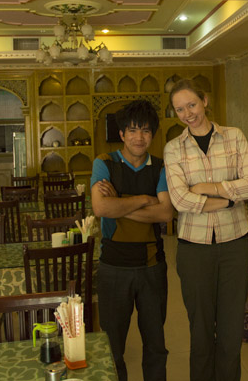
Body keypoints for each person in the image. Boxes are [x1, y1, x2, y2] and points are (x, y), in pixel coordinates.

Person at [163, 79, 248, 381]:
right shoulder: (173, 149)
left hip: (235, 246)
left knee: (231, 331)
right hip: (194, 249)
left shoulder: (234, 137)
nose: (188, 114)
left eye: (192, 104)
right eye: (180, 109)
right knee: (201, 331)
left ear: (204, 101)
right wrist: (228, 200)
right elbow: (180, 200)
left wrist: (207, 187)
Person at [90, 99, 174, 381]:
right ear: (122, 134)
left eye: (146, 131)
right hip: (113, 268)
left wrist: (120, 203)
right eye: (133, 130)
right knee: (112, 349)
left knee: (156, 347)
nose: (140, 137)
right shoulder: (104, 163)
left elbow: (165, 213)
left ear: (153, 135)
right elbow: (101, 207)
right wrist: (143, 200)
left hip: (152, 267)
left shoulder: (160, 168)